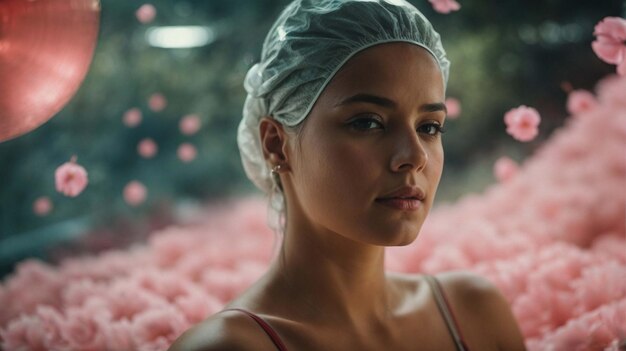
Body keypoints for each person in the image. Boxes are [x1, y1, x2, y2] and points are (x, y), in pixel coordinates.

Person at [169, 0, 526, 350]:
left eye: (430, 127)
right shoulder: (227, 347)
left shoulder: (475, 313)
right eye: (368, 122)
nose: (414, 156)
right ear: (276, 144)